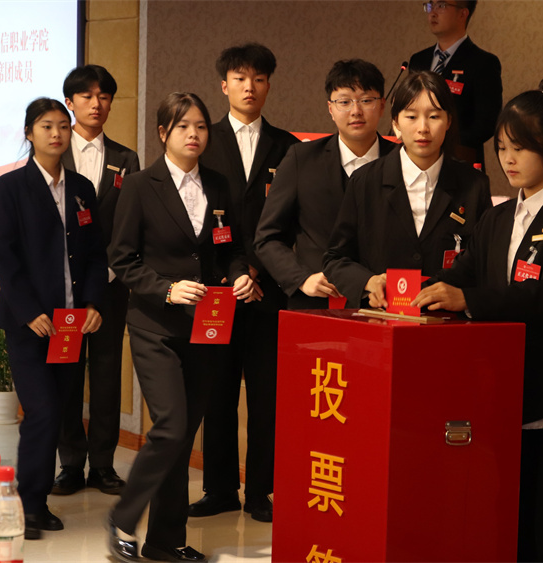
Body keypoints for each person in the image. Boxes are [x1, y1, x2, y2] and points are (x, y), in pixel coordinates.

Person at [412, 77, 543, 562]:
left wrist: (467, 299)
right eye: (501, 148)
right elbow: (459, 275)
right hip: (505, 399)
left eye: (519, 148)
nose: (508, 160)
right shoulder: (496, 218)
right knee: (513, 535)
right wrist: (411, 292)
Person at [107, 92, 253, 563]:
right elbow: (122, 259)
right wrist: (166, 289)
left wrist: (240, 275)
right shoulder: (139, 185)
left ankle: (165, 541)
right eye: (183, 126)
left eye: (201, 126)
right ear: (162, 132)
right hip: (155, 327)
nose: (194, 134)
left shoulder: (219, 185)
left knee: (184, 435)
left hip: (207, 328)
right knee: (170, 427)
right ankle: (123, 517)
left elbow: (230, 248)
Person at [0, 98, 107, 539]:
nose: (56, 134)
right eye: (45, 126)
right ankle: (31, 504)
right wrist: (29, 312)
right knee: (41, 410)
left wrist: (92, 303)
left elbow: (95, 253)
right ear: (29, 133)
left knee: (58, 411)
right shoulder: (9, 187)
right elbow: (4, 256)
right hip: (29, 324)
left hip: (71, 324)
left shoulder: (81, 188)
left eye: (62, 126)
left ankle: (33, 500)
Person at [190, 44, 298, 523]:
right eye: (239, 78)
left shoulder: (289, 146)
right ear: (224, 85)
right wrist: (232, 272)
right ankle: (218, 489)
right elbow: (192, 216)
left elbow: (294, 220)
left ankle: (259, 491)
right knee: (216, 392)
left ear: (268, 85)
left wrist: (258, 268)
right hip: (216, 288)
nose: (249, 87)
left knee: (266, 395)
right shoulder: (203, 139)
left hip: (271, 290)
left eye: (258, 78)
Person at [323, 70, 491, 307]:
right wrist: (368, 281)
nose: (423, 128)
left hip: (447, 320)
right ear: (396, 122)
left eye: (434, 116)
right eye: (411, 117)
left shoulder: (474, 184)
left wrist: (463, 297)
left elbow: (485, 261)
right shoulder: (365, 181)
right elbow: (335, 259)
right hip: (379, 316)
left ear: (448, 121)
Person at [52, 64, 140, 497]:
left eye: (104, 96)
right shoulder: (53, 152)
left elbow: (129, 222)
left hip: (110, 283)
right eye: (86, 96)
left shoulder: (127, 158)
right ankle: (70, 463)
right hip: (63, 286)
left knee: (107, 373)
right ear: (70, 102)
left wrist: (108, 272)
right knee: (66, 372)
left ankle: (103, 464)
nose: (96, 104)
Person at [255, 59, 397, 309]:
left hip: (386, 302)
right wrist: (301, 278)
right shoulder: (301, 159)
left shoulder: (400, 161)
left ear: (382, 105)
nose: (356, 111)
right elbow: (267, 237)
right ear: (330, 108)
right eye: (344, 102)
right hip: (316, 301)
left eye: (366, 100)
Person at [409, 0, 502, 167]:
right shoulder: (418, 60)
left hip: (459, 161)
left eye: (441, 5)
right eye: (430, 5)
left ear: (462, 14)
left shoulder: (483, 63)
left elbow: (487, 123)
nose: (432, 13)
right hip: (416, 158)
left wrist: (440, 139)